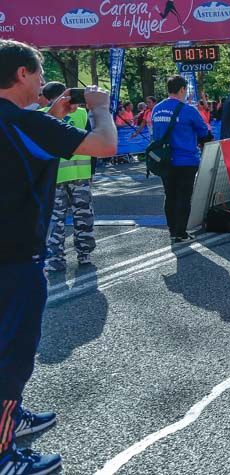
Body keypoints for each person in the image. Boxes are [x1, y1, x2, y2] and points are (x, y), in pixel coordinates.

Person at [0, 40, 117, 475]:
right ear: (21, 75)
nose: (42, 80)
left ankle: (12, 416)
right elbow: (104, 145)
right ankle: (3, 454)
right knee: (11, 356)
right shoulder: (25, 123)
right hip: (15, 258)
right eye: (39, 71)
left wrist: (53, 120)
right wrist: (101, 107)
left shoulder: (25, 123)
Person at [41, 82, 96, 273]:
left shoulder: (42, 115)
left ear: (47, 98)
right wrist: (92, 172)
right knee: (83, 215)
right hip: (81, 175)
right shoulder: (81, 114)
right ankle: (85, 254)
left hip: (54, 178)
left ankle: (56, 258)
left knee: (55, 219)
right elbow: (93, 143)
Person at [151, 75, 212, 243]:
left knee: (169, 195)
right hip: (185, 159)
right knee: (184, 196)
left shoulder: (157, 108)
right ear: (182, 89)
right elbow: (204, 133)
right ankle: (181, 232)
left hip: (163, 160)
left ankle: (172, 230)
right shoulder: (188, 110)